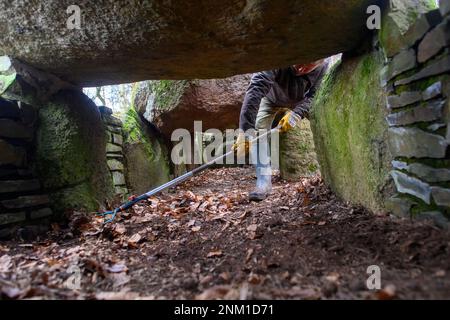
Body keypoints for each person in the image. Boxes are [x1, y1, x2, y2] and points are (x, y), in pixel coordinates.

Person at [233, 58, 329, 201]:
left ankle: (328, 175)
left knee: (323, 119)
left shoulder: (324, 67)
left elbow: (315, 95)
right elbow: (256, 89)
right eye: (299, 63)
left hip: (300, 101)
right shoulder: (278, 56)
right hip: (270, 98)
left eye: (308, 67)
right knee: (259, 129)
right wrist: (245, 131)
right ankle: (263, 183)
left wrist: (297, 113)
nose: (301, 69)